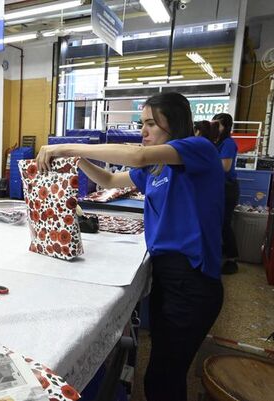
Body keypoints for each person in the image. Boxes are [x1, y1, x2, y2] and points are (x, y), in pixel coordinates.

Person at [36, 92, 224, 401]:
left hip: (193, 281)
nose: (143, 131)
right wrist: (78, 160)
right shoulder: (156, 169)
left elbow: (136, 155)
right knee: (164, 374)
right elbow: (110, 179)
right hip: (167, 276)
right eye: (142, 123)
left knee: (163, 379)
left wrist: (64, 146)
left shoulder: (197, 149)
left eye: (151, 124)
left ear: (174, 123)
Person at [212, 113, 239, 274]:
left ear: (226, 127)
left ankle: (232, 259)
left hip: (227, 188)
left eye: (218, 125)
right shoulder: (216, 142)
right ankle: (221, 253)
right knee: (217, 222)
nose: (215, 128)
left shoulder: (228, 143)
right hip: (217, 187)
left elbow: (225, 167)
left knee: (224, 224)